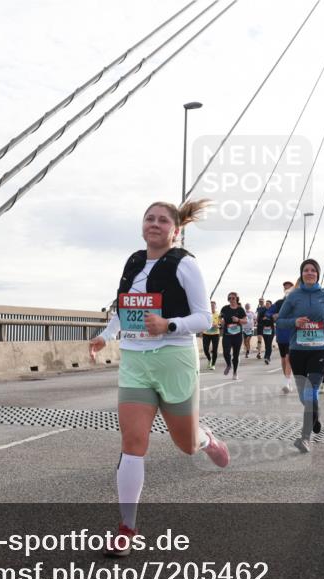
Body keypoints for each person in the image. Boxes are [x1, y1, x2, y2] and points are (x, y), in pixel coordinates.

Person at [89, 199, 229, 557]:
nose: (154, 224)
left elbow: (204, 319)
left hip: (174, 360)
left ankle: (206, 438)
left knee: (185, 445)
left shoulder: (185, 265)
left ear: (175, 230)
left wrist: (169, 324)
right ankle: (127, 527)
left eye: (162, 220)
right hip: (135, 362)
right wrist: (106, 335)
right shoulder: (134, 262)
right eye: (149, 218)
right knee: (133, 442)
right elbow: (124, 311)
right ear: (142, 226)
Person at [276, 259, 324, 453]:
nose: (310, 273)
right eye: (306, 270)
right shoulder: (294, 296)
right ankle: (315, 415)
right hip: (298, 352)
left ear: (318, 274)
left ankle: (305, 438)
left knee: (311, 392)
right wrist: (295, 322)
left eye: (313, 270)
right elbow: (280, 321)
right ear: (302, 274)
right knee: (306, 398)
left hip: (320, 351)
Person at [271, 281, 296, 394]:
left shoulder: (296, 302)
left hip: (292, 334)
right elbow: (268, 313)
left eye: (289, 288)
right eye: (285, 288)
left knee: (288, 358)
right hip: (281, 334)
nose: (287, 290)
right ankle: (287, 380)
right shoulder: (279, 302)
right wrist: (273, 316)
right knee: (283, 359)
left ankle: (286, 381)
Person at [220, 293, 246, 380]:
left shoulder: (240, 309)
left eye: (233, 298)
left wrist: (238, 320)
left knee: (236, 354)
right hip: (227, 334)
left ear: (237, 299)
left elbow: (245, 321)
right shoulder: (225, 308)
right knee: (225, 352)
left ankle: (235, 372)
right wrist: (222, 321)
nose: (231, 299)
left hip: (237, 336)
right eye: (229, 298)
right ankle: (228, 364)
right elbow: (221, 317)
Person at [202, 301, 220, 370]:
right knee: (205, 349)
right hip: (206, 333)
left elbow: (221, 325)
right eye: (211, 305)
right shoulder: (206, 314)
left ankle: (213, 365)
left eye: (213, 305)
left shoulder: (218, 315)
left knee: (215, 350)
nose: (212, 306)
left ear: (215, 306)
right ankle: (209, 359)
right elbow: (202, 323)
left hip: (215, 334)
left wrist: (217, 326)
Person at [258, 299, 275, 365]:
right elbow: (259, 320)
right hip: (264, 330)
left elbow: (275, 319)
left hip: (271, 329)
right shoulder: (263, 311)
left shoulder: (273, 312)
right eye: (266, 304)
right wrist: (263, 319)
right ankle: (267, 356)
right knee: (266, 343)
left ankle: (267, 357)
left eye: (268, 304)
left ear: (271, 305)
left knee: (269, 343)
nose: (267, 305)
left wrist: (270, 318)